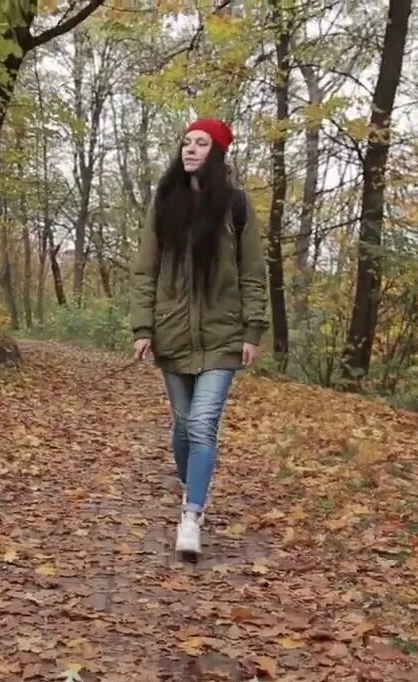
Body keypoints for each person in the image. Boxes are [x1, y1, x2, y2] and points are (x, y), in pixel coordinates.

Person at [128, 117, 268, 560]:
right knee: (184, 424)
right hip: (171, 333)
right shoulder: (164, 203)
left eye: (201, 143)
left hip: (223, 335)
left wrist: (253, 330)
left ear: (218, 153)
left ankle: (192, 514)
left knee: (204, 423)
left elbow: (253, 273)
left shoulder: (237, 207)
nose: (190, 149)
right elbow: (145, 271)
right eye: (186, 142)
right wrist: (142, 327)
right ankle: (192, 483)